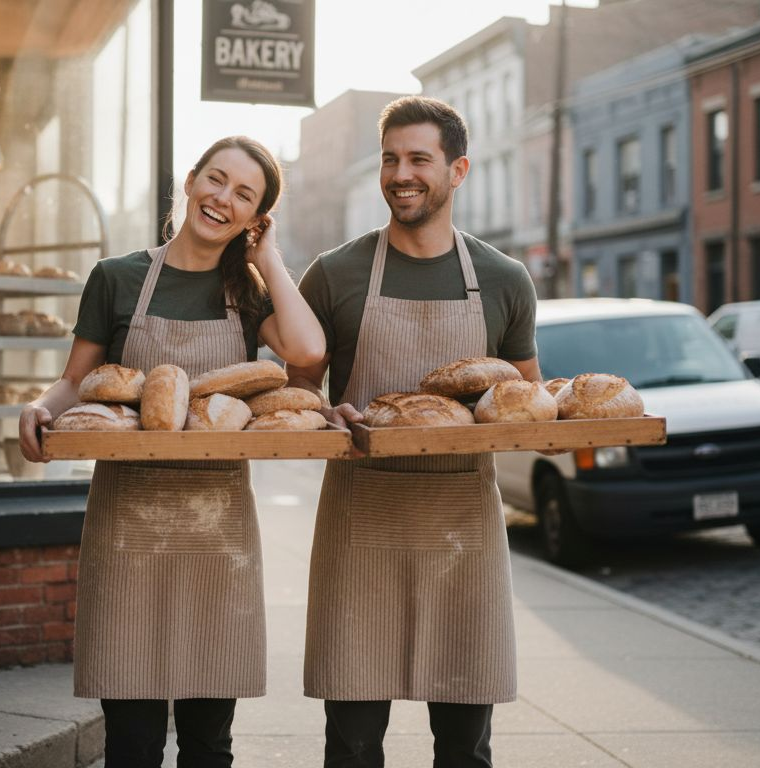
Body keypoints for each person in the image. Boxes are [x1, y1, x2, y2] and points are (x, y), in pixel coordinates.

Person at [19, 136, 325, 767]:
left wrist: (267, 257)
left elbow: (307, 352)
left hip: (219, 537)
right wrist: (41, 408)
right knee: (131, 745)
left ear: (254, 217)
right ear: (189, 182)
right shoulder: (118, 277)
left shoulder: (247, 294)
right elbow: (78, 379)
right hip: (127, 530)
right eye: (216, 180)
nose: (222, 199)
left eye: (245, 195)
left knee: (209, 744)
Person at [287, 96, 546, 767]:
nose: (401, 173)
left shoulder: (502, 279)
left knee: (464, 747)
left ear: (457, 170)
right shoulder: (336, 273)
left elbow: (525, 404)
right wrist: (325, 413)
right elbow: (294, 396)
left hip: (463, 532)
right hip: (360, 524)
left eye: (419, 159)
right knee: (351, 743)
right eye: (390, 159)